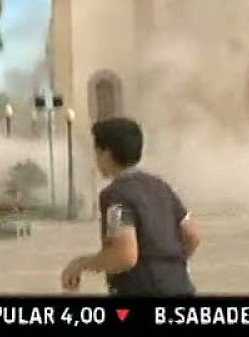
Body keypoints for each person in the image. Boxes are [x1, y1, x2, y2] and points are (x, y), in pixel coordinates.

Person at [60, 118, 200, 296]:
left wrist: (81, 264)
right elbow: (192, 235)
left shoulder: (116, 195)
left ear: (106, 154)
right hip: (180, 286)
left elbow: (124, 255)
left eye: (96, 151)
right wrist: (170, 264)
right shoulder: (160, 187)